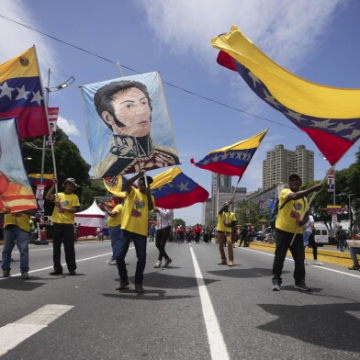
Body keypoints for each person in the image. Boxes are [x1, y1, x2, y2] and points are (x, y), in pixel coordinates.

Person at [93, 81, 179, 177]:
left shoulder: (170, 156)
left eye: (143, 103)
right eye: (129, 106)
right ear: (108, 117)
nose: (142, 111)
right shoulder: (105, 170)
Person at [272, 174, 323, 292]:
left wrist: (303, 221)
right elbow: (294, 196)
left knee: (300, 258)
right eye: (292, 180)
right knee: (280, 257)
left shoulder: (304, 199)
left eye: (296, 180)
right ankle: (276, 280)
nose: (294, 182)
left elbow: (306, 215)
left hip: (297, 232)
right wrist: (313, 189)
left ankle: (299, 281)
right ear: (289, 183)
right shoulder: (285, 192)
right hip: (282, 231)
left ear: (300, 182)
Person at [116, 171, 154, 293]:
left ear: (148, 186)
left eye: (145, 185)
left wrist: (148, 194)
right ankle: (124, 279)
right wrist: (139, 175)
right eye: (140, 184)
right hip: (126, 228)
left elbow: (151, 208)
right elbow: (127, 184)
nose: (142, 186)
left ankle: (138, 283)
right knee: (118, 256)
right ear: (138, 184)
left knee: (142, 258)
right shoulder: (132, 192)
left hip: (141, 231)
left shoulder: (150, 196)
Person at [46, 178, 80, 276]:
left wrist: (62, 206)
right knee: (56, 248)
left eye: (71, 185)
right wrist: (53, 185)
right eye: (68, 184)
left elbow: (74, 209)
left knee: (69, 248)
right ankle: (57, 268)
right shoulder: (59, 195)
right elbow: (48, 197)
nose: (69, 186)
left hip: (68, 225)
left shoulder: (75, 197)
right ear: (65, 185)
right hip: (57, 224)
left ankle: (71, 268)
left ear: (73, 187)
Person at [1, 211, 35, 279]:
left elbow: (33, 211)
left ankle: (24, 271)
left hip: (23, 226)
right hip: (8, 225)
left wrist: (21, 212)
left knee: (23, 250)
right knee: (6, 249)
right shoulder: (6, 199)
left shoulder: (27, 200)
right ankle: (5, 269)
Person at [101, 197, 123, 265]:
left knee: (115, 244)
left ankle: (116, 258)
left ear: (120, 199)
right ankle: (114, 257)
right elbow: (112, 211)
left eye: (116, 198)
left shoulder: (119, 206)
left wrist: (104, 207)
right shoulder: (119, 206)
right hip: (115, 226)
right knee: (115, 243)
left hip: (115, 226)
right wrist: (106, 206)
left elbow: (112, 214)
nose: (114, 200)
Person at [217, 200, 237, 267]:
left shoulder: (232, 214)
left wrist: (227, 225)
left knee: (229, 243)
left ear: (228, 207)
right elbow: (220, 210)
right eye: (224, 205)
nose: (226, 207)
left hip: (228, 231)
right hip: (220, 230)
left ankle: (231, 260)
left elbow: (234, 224)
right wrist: (226, 204)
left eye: (227, 206)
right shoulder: (221, 213)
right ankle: (223, 259)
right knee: (220, 246)